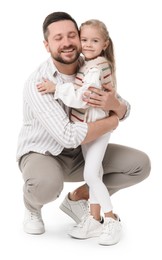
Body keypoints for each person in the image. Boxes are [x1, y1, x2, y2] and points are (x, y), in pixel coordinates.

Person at [16, 12, 151, 246]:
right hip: (45, 152)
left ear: (80, 38)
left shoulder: (90, 66)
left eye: (72, 35)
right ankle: (32, 207)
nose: (67, 42)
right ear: (47, 45)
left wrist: (114, 105)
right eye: (58, 38)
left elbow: (125, 108)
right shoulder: (38, 82)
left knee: (139, 165)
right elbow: (67, 136)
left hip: (81, 148)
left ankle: (78, 199)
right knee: (45, 185)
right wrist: (111, 121)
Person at [36, 19, 122, 245]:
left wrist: (56, 89)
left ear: (104, 43)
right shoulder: (87, 64)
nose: (88, 45)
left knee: (91, 175)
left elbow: (82, 100)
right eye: (84, 40)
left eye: (94, 40)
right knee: (97, 173)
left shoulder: (96, 67)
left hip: (95, 128)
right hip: (87, 128)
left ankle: (111, 218)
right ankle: (93, 219)